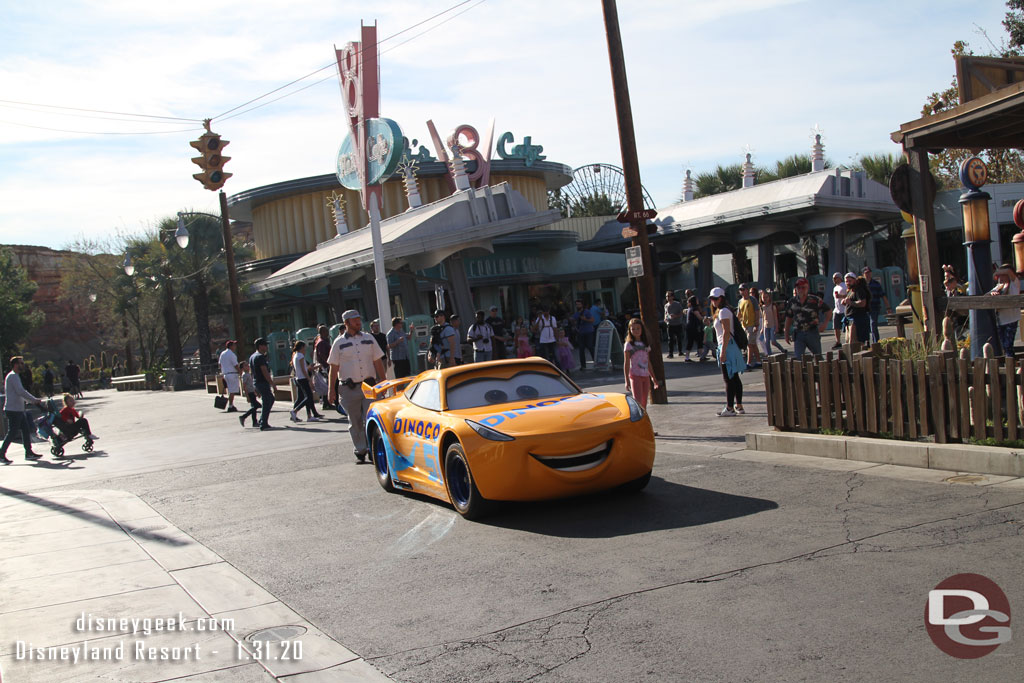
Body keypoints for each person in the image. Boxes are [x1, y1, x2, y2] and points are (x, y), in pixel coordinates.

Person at [327, 309, 386, 463]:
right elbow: (333, 368)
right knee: (355, 421)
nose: (358, 322)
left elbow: (377, 361)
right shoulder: (339, 343)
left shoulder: (369, 338)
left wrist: (384, 382)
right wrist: (331, 390)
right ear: (346, 323)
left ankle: (373, 450)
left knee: (371, 419)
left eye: (359, 319)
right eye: (354, 320)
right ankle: (360, 449)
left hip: (369, 386)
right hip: (349, 388)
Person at [709, 288, 745, 416]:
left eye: (716, 298)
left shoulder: (723, 312)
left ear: (722, 298)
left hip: (727, 346)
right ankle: (738, 405)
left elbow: (725, 332)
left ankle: (730, 407)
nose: (713, 301)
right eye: (712, 299)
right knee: (734, 377)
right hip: (731, 346)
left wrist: (722, 351)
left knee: (728, 378)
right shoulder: (725, 311)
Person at [1, 356, 44, 462]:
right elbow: (21, 392)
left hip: (18, 409)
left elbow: (20, 394)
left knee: (25, 430)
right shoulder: (13, 376)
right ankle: (1, 454)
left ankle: (28, 453)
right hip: (13, 410)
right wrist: (34, 399)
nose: (22, 365)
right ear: (15, 365)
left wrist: (32, 401)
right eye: (21, 363)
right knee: (12, 433)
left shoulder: (15, 376)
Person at [783, 278, 829, 357]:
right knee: (799, 358)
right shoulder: (792, 301)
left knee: (817, 357)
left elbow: (828, 311)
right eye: (798, 288)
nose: (800, 290)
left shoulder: (814, 300)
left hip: (812, 331)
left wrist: (825, 324)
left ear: (807, 288)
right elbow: (788, 318)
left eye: (803, 287)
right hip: (798, 333)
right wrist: (786, 333)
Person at [623, 318, 659, 408]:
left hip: (645, 375)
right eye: (633, 329)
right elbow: (626, 363)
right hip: (635, 375)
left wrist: (653, 377)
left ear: (642, 329)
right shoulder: (629, 345)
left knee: (644, 403)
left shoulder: (645, 344)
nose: (636, 331)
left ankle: (643, 421)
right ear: (630, 330)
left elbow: (648, 362)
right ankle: (637, 421)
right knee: (638, 402)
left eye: (638, 328)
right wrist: (626, 380)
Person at [989, 264, 1021, 357]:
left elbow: (1008, 271)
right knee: (1004, 346)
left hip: (1011, 319)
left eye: (1002, 275)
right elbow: (986, 295)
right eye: (999, 276)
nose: (1000, 277)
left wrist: (996, 272)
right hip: (1001, 320)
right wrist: (992, 294)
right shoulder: (999, 287)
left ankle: (1011, 365)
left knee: (1008, 345)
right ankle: (1010, 364)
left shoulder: (1014, 284)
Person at [289, 340, 323, 423]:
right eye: (304, 347)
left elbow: (302, 368)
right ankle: (295, 411)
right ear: (301, 347)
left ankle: (309, 416)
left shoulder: (296, 356)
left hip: (299, 378)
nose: (305, 349)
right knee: (308, 397)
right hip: (303, 378)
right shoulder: (300, 356)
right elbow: (304, 370)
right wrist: (309, 379)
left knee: (306, 397)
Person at [249, 338, 276, 431]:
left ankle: (262, 420)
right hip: (262, 382)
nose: (266, 347)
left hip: (257, 382)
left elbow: (252, 372)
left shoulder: (252, 356)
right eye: (265, 345)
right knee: (267, 401)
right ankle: (263, 423)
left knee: (270, 399)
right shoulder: (260, 357)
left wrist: (254, 386)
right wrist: (272, 383)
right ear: (260, 346)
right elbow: (264, 371)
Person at [861, 267, 892, 343]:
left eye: (869, 273)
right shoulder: (861, 285)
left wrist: (888, 307)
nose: (868, 274)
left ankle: (876, 343)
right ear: (863, 274)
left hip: (874, 307)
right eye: (866, 273)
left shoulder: (876, 284)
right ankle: (867, 342)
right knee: (865, 326)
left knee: (873, 324)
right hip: (864, 308)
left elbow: (883, 295)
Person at [314, 325, 337, 413]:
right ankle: (326, 403)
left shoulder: (323, 341)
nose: (328, 333)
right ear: (322, 332)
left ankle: (327, 403)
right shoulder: (321, 342)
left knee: (325, 385)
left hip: (325, 365)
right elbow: (322, 355)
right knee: (327, 385)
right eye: (326, 331)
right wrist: (328, 363)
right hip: (325, 366)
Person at [843, 273, 872, 344]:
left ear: (855, 281)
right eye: (846, 281)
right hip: (849, 318)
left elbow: (863, 303)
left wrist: (850, 302)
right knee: (848, 342)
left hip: (857, 319)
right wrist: (845, 302)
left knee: (855, 343)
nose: (848, 283)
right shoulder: (850, 290)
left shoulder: (859, 290)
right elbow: (850, 301)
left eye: (850, 281)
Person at [737, 283, 760, 368]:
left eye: (743, 289)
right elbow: (739, 314)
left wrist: (756, 324)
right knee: (753, 344)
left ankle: (749, 362)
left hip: (752, 324)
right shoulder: (740, 301)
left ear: (747, 290)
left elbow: (757, 312)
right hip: (744, 325)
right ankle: (758, 360)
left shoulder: (752, 300)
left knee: (749, 344)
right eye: (740, 290)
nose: (742, 292)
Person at [759, 290, 787, 356]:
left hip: (772, 325)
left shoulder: (772, 306)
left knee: (773, 341)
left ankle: (782, 349)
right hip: (766, 326)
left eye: (766, 297)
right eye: (763, 297)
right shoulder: (762, 307)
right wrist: (762, 328)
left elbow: (775, 317)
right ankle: (769, 355)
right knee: (766, 341)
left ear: (769, 297)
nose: (765, 299)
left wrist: (776, 327)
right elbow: (763, 318)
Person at [571, 300, 596, 369]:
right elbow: (573, 320)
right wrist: (572, 321)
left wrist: (585, 319)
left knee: (590, 347)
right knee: (581, 349)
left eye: (579, 304)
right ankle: (583, 365)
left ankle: (596, 363)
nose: (578, 306)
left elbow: (592, 320)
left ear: (582, 305)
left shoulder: (587, 311)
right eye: (577, 304)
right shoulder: (576, 314)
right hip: (580, 332)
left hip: (588, 332)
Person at [218, 340, 240, 412]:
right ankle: (230, 405)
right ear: (231, 346)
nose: (235, 346)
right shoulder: (232, 354)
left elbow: (220, 364)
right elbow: (235, 365)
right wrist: (240, 371)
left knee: (230, 390)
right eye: (234, 345)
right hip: (232, 373)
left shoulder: (222, 353)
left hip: (225, 374)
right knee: (232, 391)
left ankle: (231, 404)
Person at [238, 361, 260, 428]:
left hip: (252, 392)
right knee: (256, 406)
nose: (247, 366)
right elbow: (244, 386)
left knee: (254, 407)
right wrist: (247, 396)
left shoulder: (249, 374)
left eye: (248, 365)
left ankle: (254, 422)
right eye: (245, 365)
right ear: (242, 368)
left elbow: (251, 385)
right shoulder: (245, 375)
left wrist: (255, 392)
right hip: (249, 393)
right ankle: (243, 416)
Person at [683, 296, 706, 362]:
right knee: (698, 341)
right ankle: (701, 356)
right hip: (694, 328)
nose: (698, 301)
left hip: (690, 327)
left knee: (693, 341)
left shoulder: (690, 308)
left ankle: (688, 357)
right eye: (696, 300)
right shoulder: (694, 309)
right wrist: (706, 318)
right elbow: (700, 317)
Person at [664, 291, 684, 359]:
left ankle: (680, 351)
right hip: (670, 324)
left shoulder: (677, 304)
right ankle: (670, 353)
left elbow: (682, 313)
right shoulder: (666, 305)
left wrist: (676, 316)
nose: (668, 298)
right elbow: (666, 314)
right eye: (667, 296)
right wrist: (665, 319)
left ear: (673, 297)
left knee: (679, 338)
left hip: (677, 323)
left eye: (669, 296)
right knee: (670, 339)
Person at [831, 273, 847, 350]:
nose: (834, 279)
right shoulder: (835, 288)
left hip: (844, 309)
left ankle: (848, 340)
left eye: (835, 278)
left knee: (846, 326)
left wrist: (841, 296)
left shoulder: (844, 285)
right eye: (833, 278)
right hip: (837, 309)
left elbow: (849, 295)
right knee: (836, 326)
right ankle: (838, 342)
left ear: (840, 278)